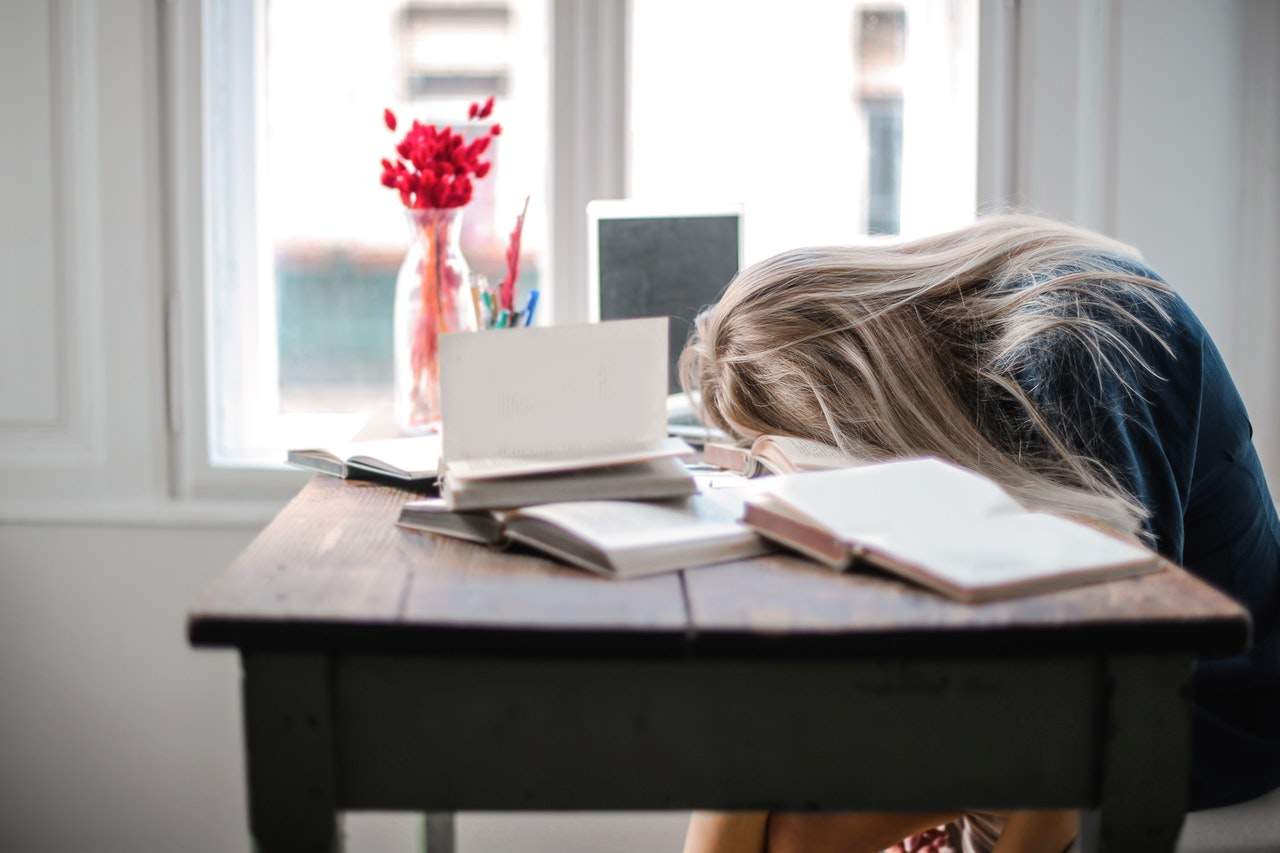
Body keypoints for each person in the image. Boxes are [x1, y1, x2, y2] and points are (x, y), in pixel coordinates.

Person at [677, 215, 1280, 853]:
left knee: (785, 820)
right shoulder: (994, 323)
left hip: (1210, 716)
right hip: (1074, 679)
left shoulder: (1074, 348)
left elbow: (1108, 689)